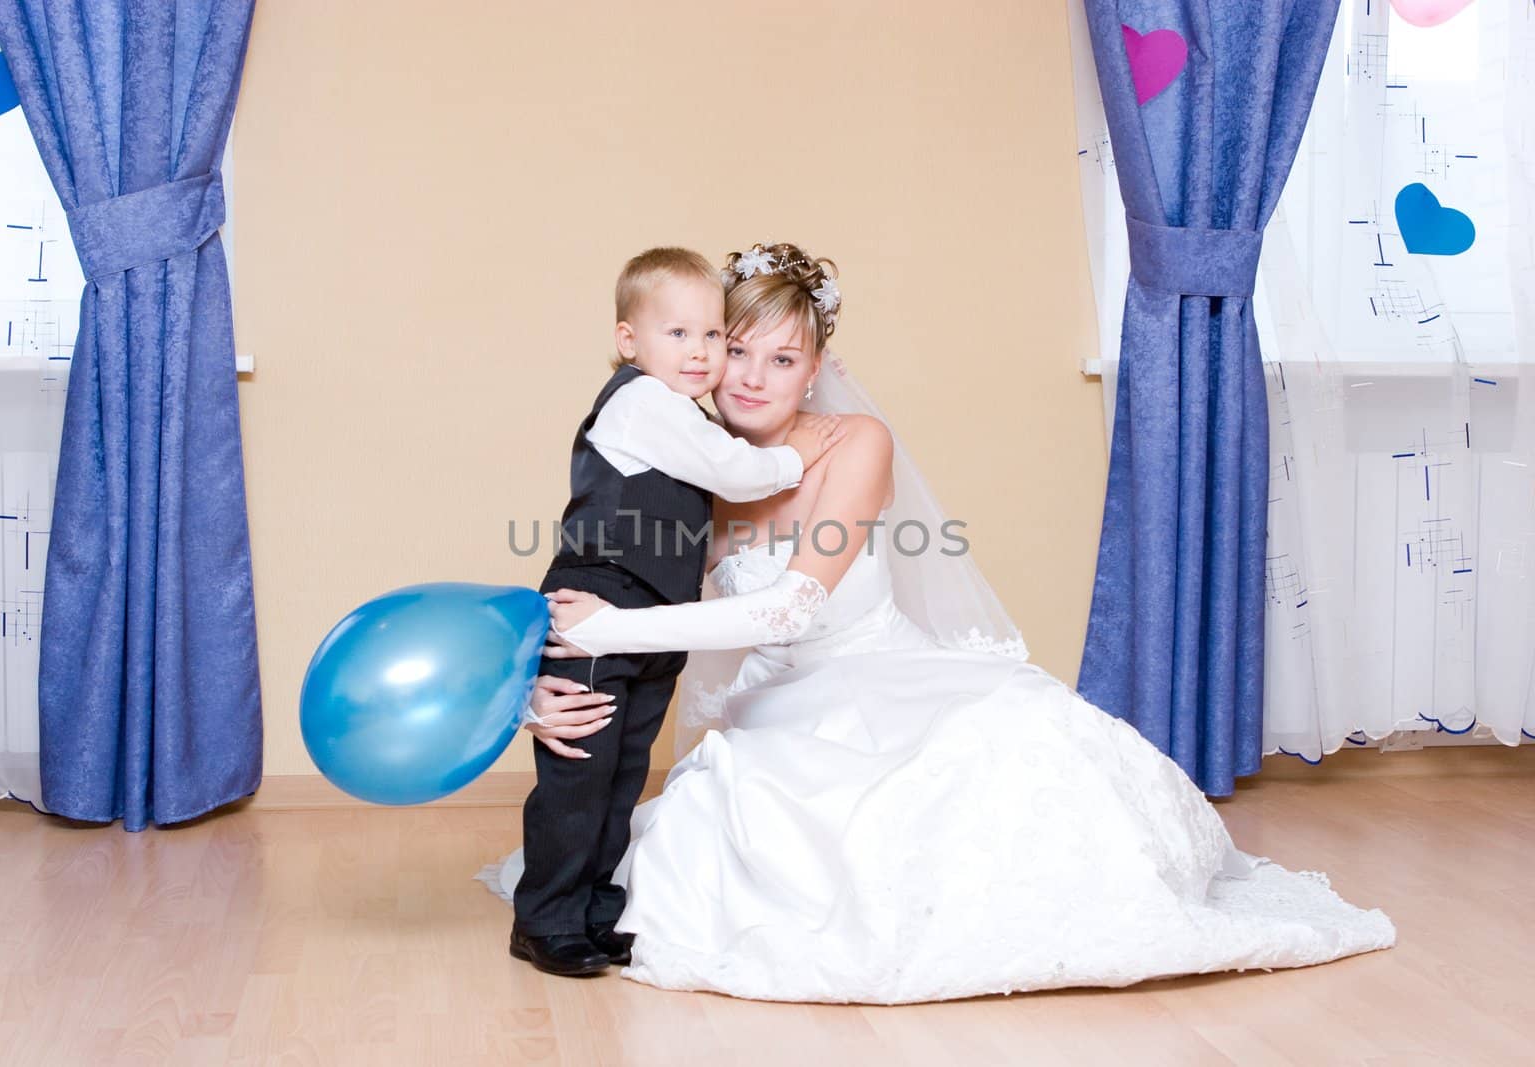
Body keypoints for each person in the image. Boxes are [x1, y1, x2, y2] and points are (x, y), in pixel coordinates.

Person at [492, 242, 1396, 1003]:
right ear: (702, 354)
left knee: (999, 774)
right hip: (775, 706)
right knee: (709, 850)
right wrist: (552, 673)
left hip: (877, 674)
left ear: (818, 369)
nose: (756, 378)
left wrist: (608, 633)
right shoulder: (683, 459)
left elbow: (788, 604)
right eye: (738, 351)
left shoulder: (854, 443)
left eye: (785, 359)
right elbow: (603, 573)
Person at [510, 247, 844, 978]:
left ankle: (594, 907)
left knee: (623, 773)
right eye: (678, 335)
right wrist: (799, 457)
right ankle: (544, 918)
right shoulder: (641, 402)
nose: (700, 354)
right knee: (579, 777)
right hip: (602, 601)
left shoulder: (679, 413)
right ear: (630, 341)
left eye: (710, 336)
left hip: (652, 614)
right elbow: (734, 471)